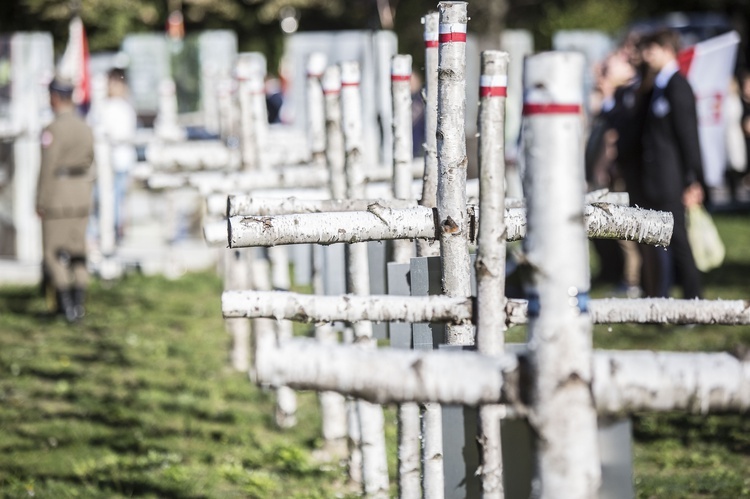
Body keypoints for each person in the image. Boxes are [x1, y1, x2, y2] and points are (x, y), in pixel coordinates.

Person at [638, 28, 704, 299]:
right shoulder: (658, 86)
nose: (645, 55)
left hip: (672, 178)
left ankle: (693, 300)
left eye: (651, 49)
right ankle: (664, 294)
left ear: (667, 50)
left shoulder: (678, 85)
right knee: (661, 240)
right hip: (657, 177)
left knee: (677, 239)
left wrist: (692, 179)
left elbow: (688, 136)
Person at [36, 76, 96, 322]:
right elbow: (92, 161)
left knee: (52, 253)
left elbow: (47, 167)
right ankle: (78, 304)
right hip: (81, 195)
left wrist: (40, 200)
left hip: (58, 198)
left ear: (54, 97)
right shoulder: (85, 126)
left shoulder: (52, 129)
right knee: (78, 252)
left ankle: (67, 306)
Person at [100, 67, 137, 242]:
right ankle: (111, 233)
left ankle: (115, 232)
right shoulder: (111, 106)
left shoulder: (120, 107)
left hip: (119, 160)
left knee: (117, 199)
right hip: (110, 160)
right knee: (111, 198)